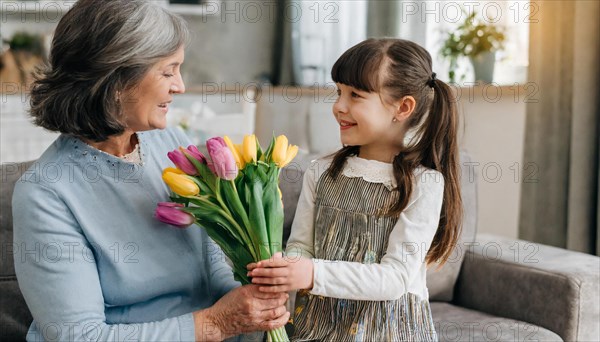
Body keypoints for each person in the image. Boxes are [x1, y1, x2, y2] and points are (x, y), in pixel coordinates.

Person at [12, 1, 289, 341]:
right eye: (168, 71)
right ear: (117, 79)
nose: (180, 86)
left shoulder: (170, 142)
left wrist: (251, 299)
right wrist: (215, 323)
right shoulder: (46, 193)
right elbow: (79, 336)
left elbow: (210, 250)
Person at [247, 38, 463, 341]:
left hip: (387, 332)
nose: (338, 106)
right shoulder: (321, 171)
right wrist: (286, 268)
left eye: (356, 95)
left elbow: (395, 278)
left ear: (402, 107)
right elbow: (301, 245)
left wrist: (311, 274)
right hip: (317, 328)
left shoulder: (423, 183)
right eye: (338, 92)